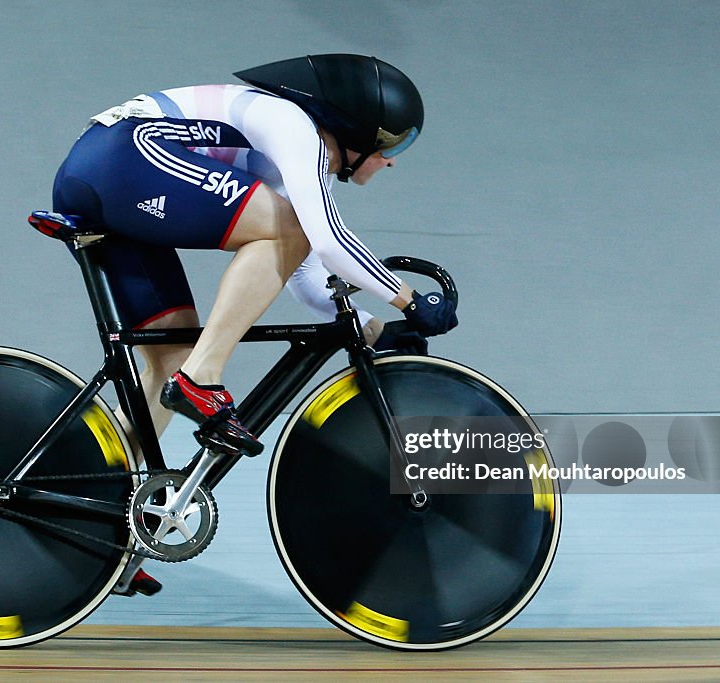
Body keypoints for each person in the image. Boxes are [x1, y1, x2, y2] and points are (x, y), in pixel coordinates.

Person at [50, 54, 457, 594]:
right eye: (392, 145)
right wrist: (409, 300)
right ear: (357, 130)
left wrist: (376, 331)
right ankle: (201, 379)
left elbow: (309, 275)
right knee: (285, 234)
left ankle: (104, 526)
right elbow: (326, 241)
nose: (391, 161)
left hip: (105, 170)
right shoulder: (294, 126)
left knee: (169, 355)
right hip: (122, 157)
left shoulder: (293, 163)